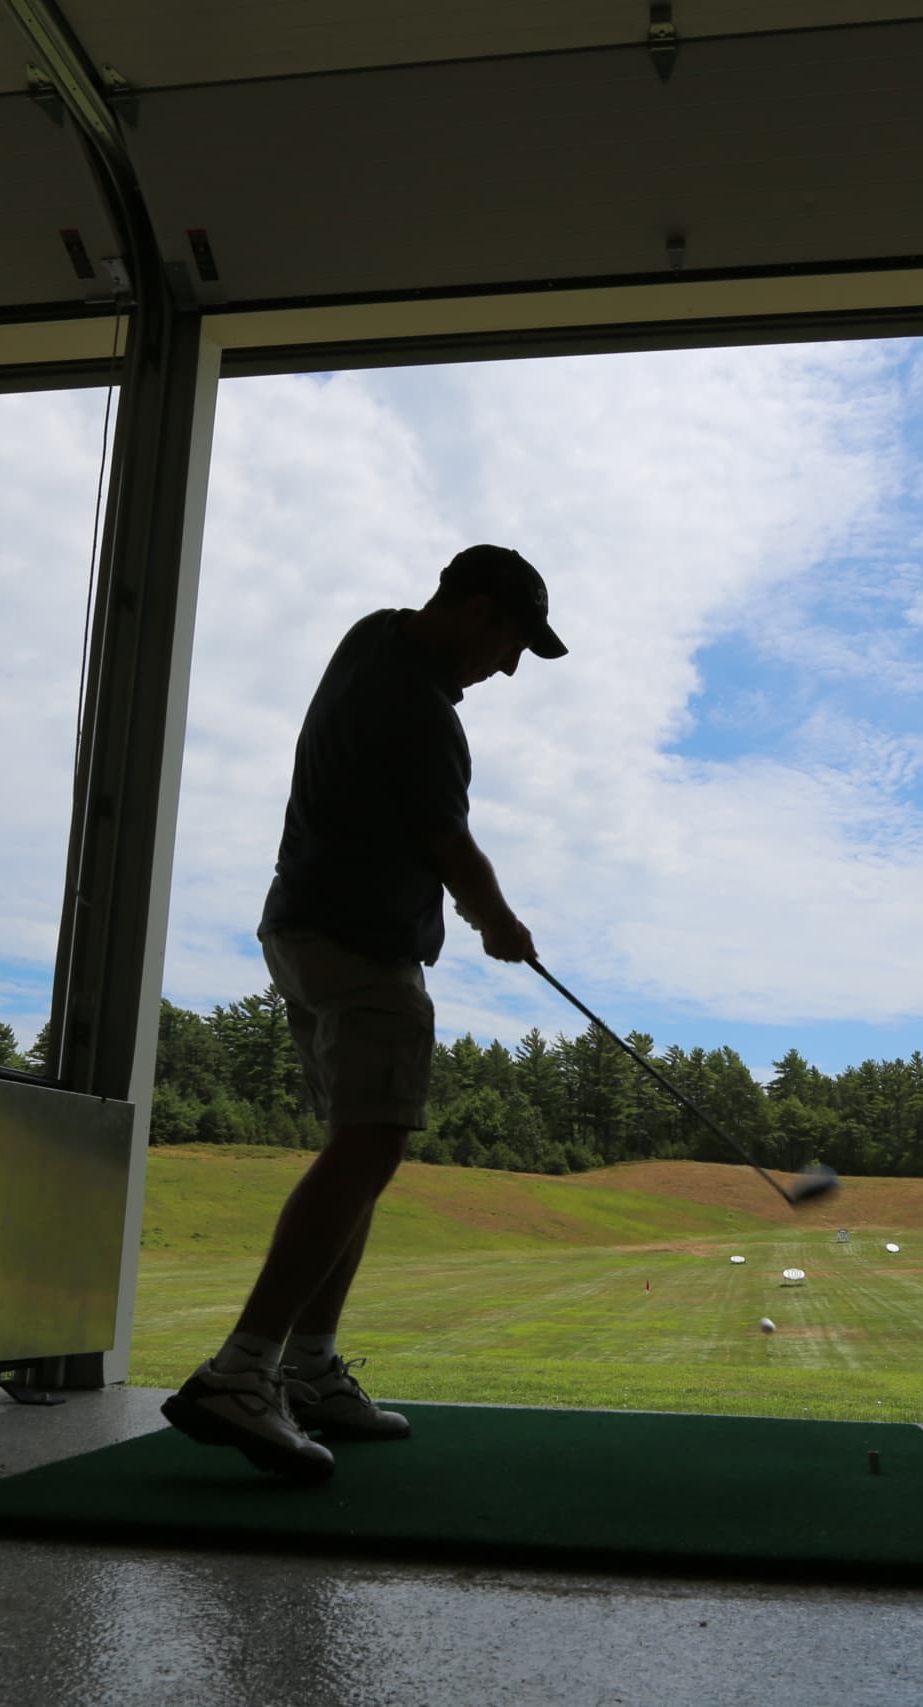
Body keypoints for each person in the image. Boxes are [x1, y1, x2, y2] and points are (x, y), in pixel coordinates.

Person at [159, 544, 567, 1482]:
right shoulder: (418, 709)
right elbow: (448, 843)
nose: (507, 667)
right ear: (472, 608)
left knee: (361, 1143)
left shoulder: (372, 640)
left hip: (299, 928)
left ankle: (307, 1370)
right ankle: (245, 1368)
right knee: (373, 1141)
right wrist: (501, 923)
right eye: (511, 640)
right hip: (358, 942)